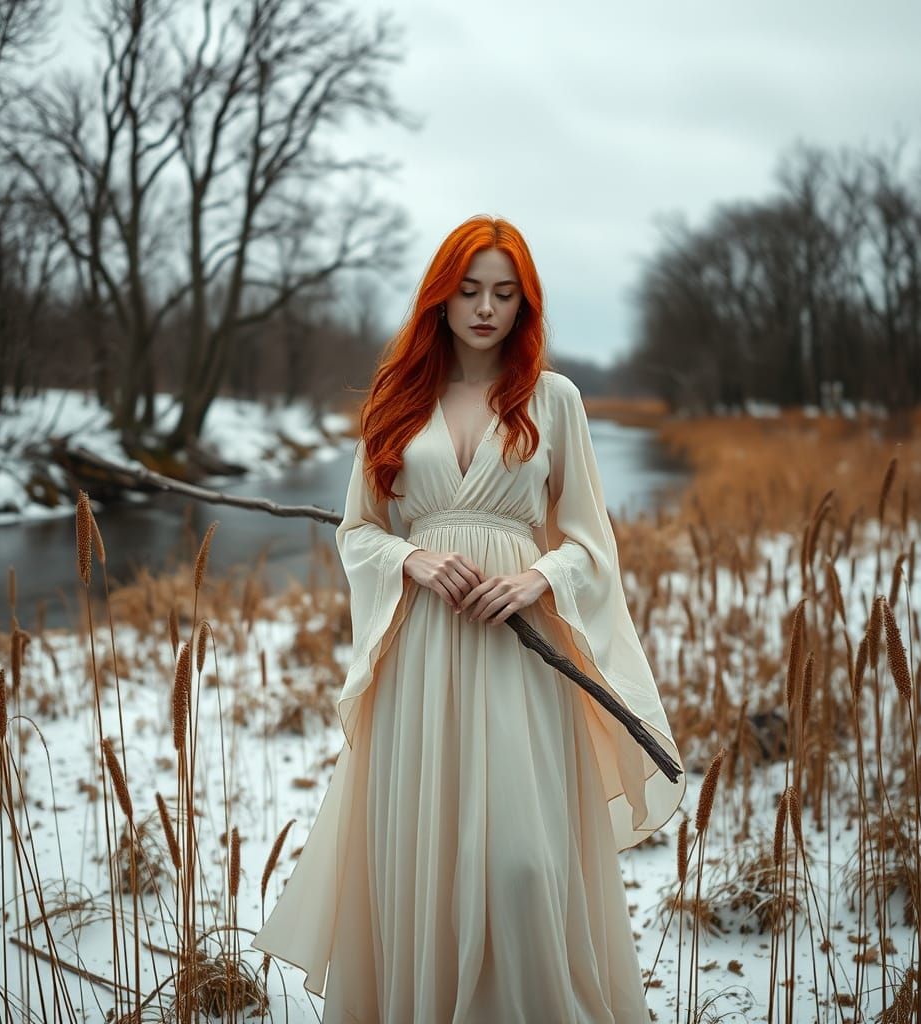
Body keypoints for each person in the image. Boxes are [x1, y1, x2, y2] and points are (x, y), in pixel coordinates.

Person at [251, 214, 686, 1022]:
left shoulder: (552, 401)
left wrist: (539, 579)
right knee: (423, 864)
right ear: (440, 299)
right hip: (418, 656)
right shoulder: (395, 398)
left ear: (525, 305)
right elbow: (359, 529)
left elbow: (594, 544)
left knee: (523, 867)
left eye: (504, 293)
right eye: (469, 290)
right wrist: (409, 559)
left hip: (520, 661)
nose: (485, 308)